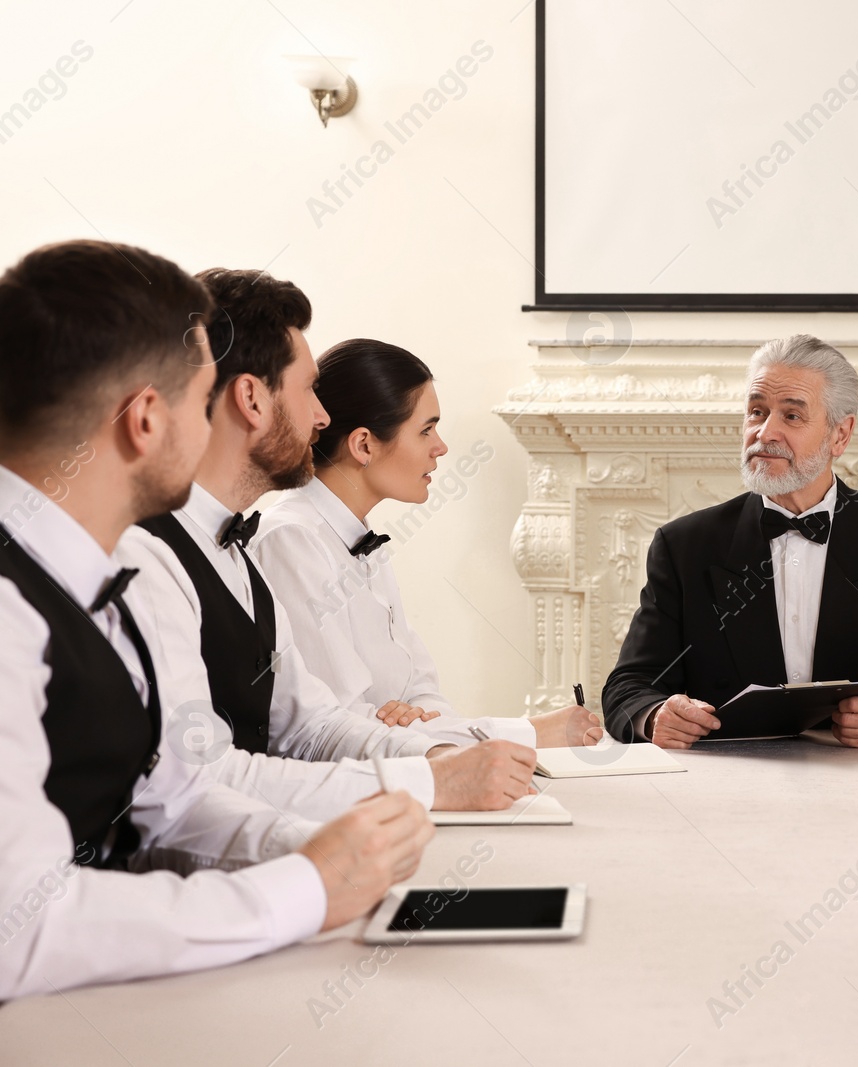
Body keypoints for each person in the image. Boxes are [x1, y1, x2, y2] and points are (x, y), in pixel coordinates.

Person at [0, 239, 431, 998]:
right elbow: (20, 925)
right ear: (144, 420)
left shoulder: (100, 574)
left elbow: (172, 798)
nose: (211, 433)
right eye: (201, 404)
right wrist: (298, 890)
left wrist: (325, 853)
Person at [116, 269, 535, 816]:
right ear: (252, 398)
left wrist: (439, 754)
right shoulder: (149, 553)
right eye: (310, 389)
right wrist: (430, 783)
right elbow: (194, 782)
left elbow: (310, 726)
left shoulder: (237, 553)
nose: (322, 417)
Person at [603, 334, 858, 748]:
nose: (765, 432)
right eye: (757, 412)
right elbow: (629, 686)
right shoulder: (683, 546)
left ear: (840, 436)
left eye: (792, 416)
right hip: (727, 785)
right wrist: (654, 717)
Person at [251, 337, 602, 747]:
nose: (441, 447)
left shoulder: (362, 541)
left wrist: (412, 718)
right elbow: (336, 722)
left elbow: (423, 692)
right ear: (364, 444)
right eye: (426, 430)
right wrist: (528, 732)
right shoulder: (290, 540)